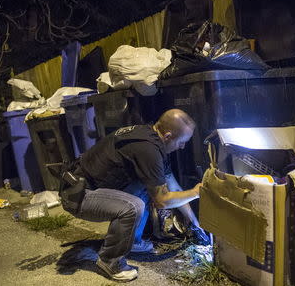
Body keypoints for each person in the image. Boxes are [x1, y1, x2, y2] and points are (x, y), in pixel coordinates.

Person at [59, 109, 206, 282]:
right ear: (167, 136)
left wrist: (194, 222)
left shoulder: (151, 137)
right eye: (182, 142)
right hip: (79, 196)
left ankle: (133, 242)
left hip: (91, 190)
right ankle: (110, 260)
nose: (182, 147)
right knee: (132, 206)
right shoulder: (148, 150)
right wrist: (196, 193)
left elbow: (171, 184)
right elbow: (162, 201)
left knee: (148, 185)